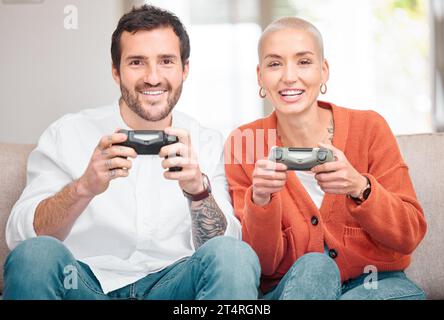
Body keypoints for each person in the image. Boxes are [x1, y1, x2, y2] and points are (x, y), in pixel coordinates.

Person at [4, 4, 260, 300]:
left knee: (232, 255)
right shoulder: (68, 133)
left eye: (166, 61)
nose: (153, 77)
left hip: (174, 287)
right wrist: (83, 188)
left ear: (185, 69)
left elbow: (225, 252)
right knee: (35, 255)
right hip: (86, 285)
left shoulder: (207, 141)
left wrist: (197, 191)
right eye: (137, 62)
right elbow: (21, 238)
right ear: (116, 71)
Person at [224, 17, 427, 300]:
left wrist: (360, 187)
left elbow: (408, 235)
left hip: (374, 284)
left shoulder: (369, 128)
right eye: (274, 64)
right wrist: (261, 201)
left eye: (303, 62)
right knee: (315, 268)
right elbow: (264, 265)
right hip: (295, 287)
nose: (289, 76)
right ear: (260, 76)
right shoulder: (244, 142)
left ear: (324, 71)